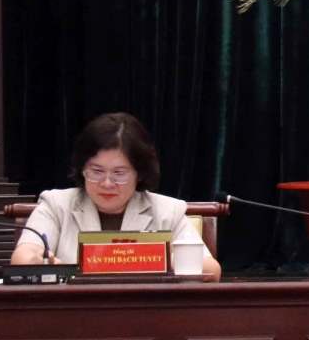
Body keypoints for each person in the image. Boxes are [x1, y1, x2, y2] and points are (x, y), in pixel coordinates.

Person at [11, 112, 221, 280]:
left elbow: (211, 270)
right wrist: (41, 263)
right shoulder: (56, 205)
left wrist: (158, 259)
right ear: (82, 169)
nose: (107, 183)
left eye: (119, 173)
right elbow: (22, 258)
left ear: (140, 173)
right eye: (96, 171)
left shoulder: (167, 211)